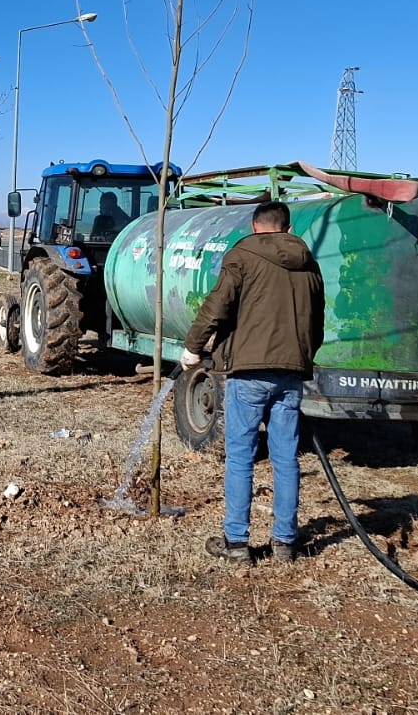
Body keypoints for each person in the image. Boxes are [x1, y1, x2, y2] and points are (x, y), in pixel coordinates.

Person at [181, 200, 324, 565]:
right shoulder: (309, 263)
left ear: (254, 226)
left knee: (241, 458)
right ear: (288, 229)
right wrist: (299, 357)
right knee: (286, 459)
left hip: (248, 374)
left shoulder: (241, 256)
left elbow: (216, 306)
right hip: (291, 375)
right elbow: (317, 322)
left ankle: (237, 543)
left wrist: (193, 348)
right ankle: (284, 543)